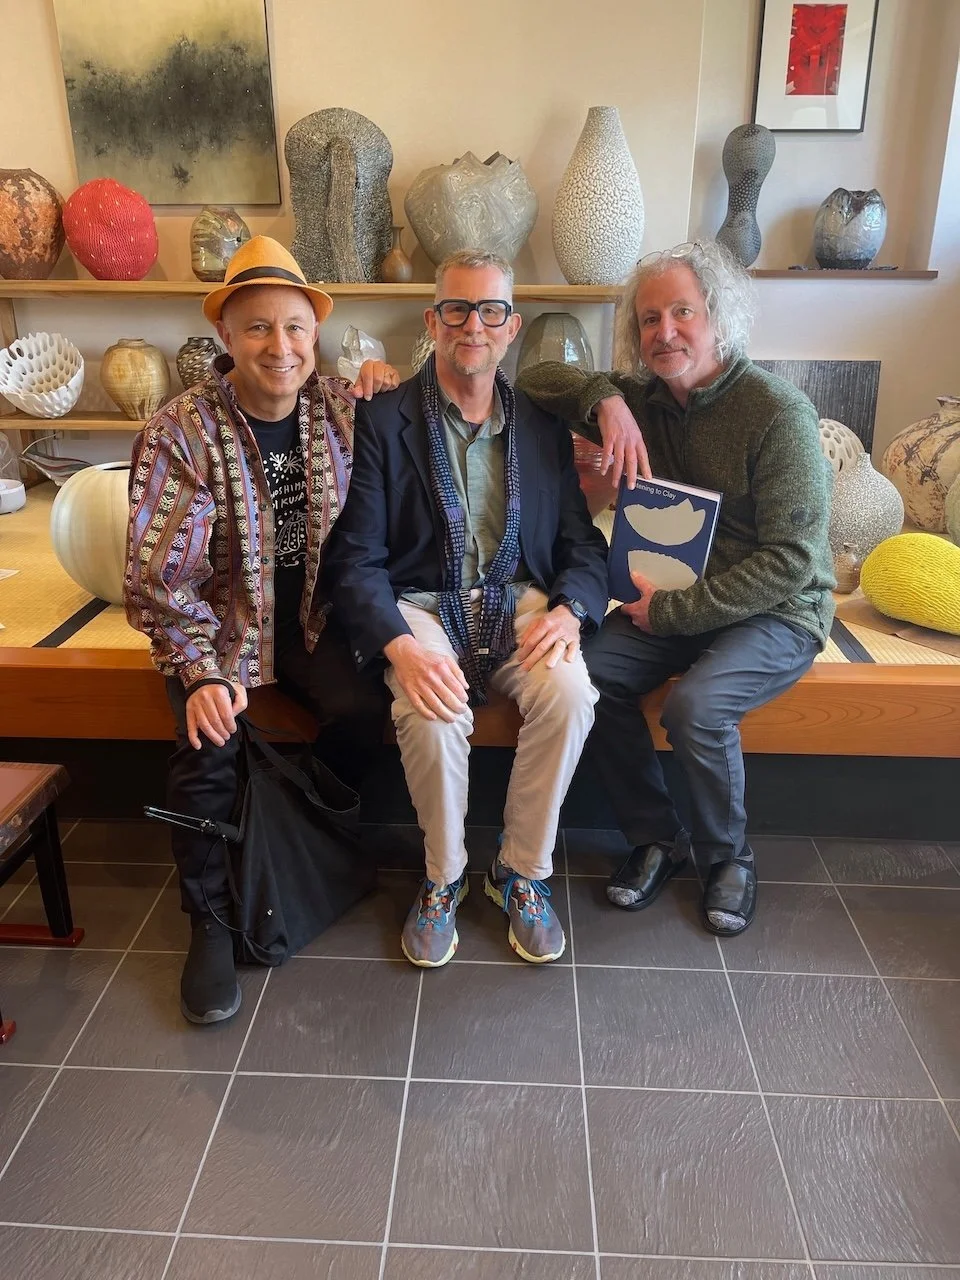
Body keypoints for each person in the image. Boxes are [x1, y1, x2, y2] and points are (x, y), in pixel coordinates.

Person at [516, 239, 835, 936]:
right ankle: (657, 838)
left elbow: (794, 560)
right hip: (670, 601)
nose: (665, 332)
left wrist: (674, 612)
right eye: (649, 318)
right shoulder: (642, 400)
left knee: (697, 706)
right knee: (587, 674)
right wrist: (606, 400)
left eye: (682, 312)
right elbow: (534, 378)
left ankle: (729, 859)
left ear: (718, 316)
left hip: (776, 610)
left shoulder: (778, 412)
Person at [125, 235, 399, 1024]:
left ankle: (306, 834)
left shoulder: (343, 409)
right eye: (258, 328)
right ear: (226, 335)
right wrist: (200, 671)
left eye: (295, 327)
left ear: (315, 334)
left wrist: (391, 383)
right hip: (218, 623)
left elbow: (438, 419)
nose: (280, 346)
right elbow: (160, 578)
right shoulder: (179, 432)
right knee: (206, 747)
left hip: (313, 615)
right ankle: (208, 920)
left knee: (368, 708)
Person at [323, 250, 608, 967]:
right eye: (456, 309)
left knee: (571, 693)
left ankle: (519, 872)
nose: (472, 325)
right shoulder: (383, 419)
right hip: (420, 601)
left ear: (512, 327)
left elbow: (581, 544)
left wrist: (572, 610)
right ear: (433, 321)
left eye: (490, 310)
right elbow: (355, 559)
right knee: (430, 706)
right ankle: (443, 878)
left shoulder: (542, 428)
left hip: (521, 602)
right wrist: (399, 646)